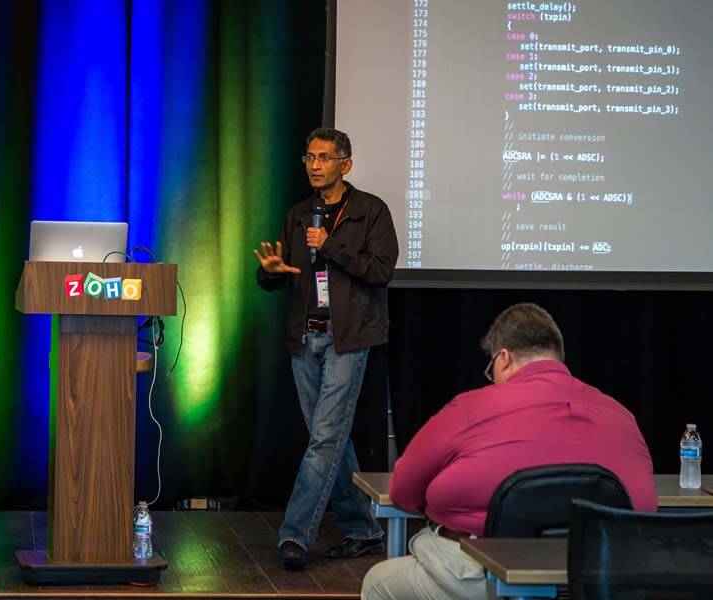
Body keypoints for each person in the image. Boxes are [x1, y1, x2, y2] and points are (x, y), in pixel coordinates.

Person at [361, 302, 657, 600]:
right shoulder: (619, 415)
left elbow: (402, 490)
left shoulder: (469, 409)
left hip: (487, 577)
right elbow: (644, 507)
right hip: (596, 579)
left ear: (503, 358)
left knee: (378, 581)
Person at [254, 127, 399, 570]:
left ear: (345, 164)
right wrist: (272, 271)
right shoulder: (300, 214)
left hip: (348, 338)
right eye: (309, 158)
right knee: (332, 440)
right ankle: (364, 529)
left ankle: (294, 535)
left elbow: (381, 271)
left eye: (324, 158)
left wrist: (330, 246)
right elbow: (277, 277)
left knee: (323, 441)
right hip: (306, 337)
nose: (314, 166)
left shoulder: (371, 211)